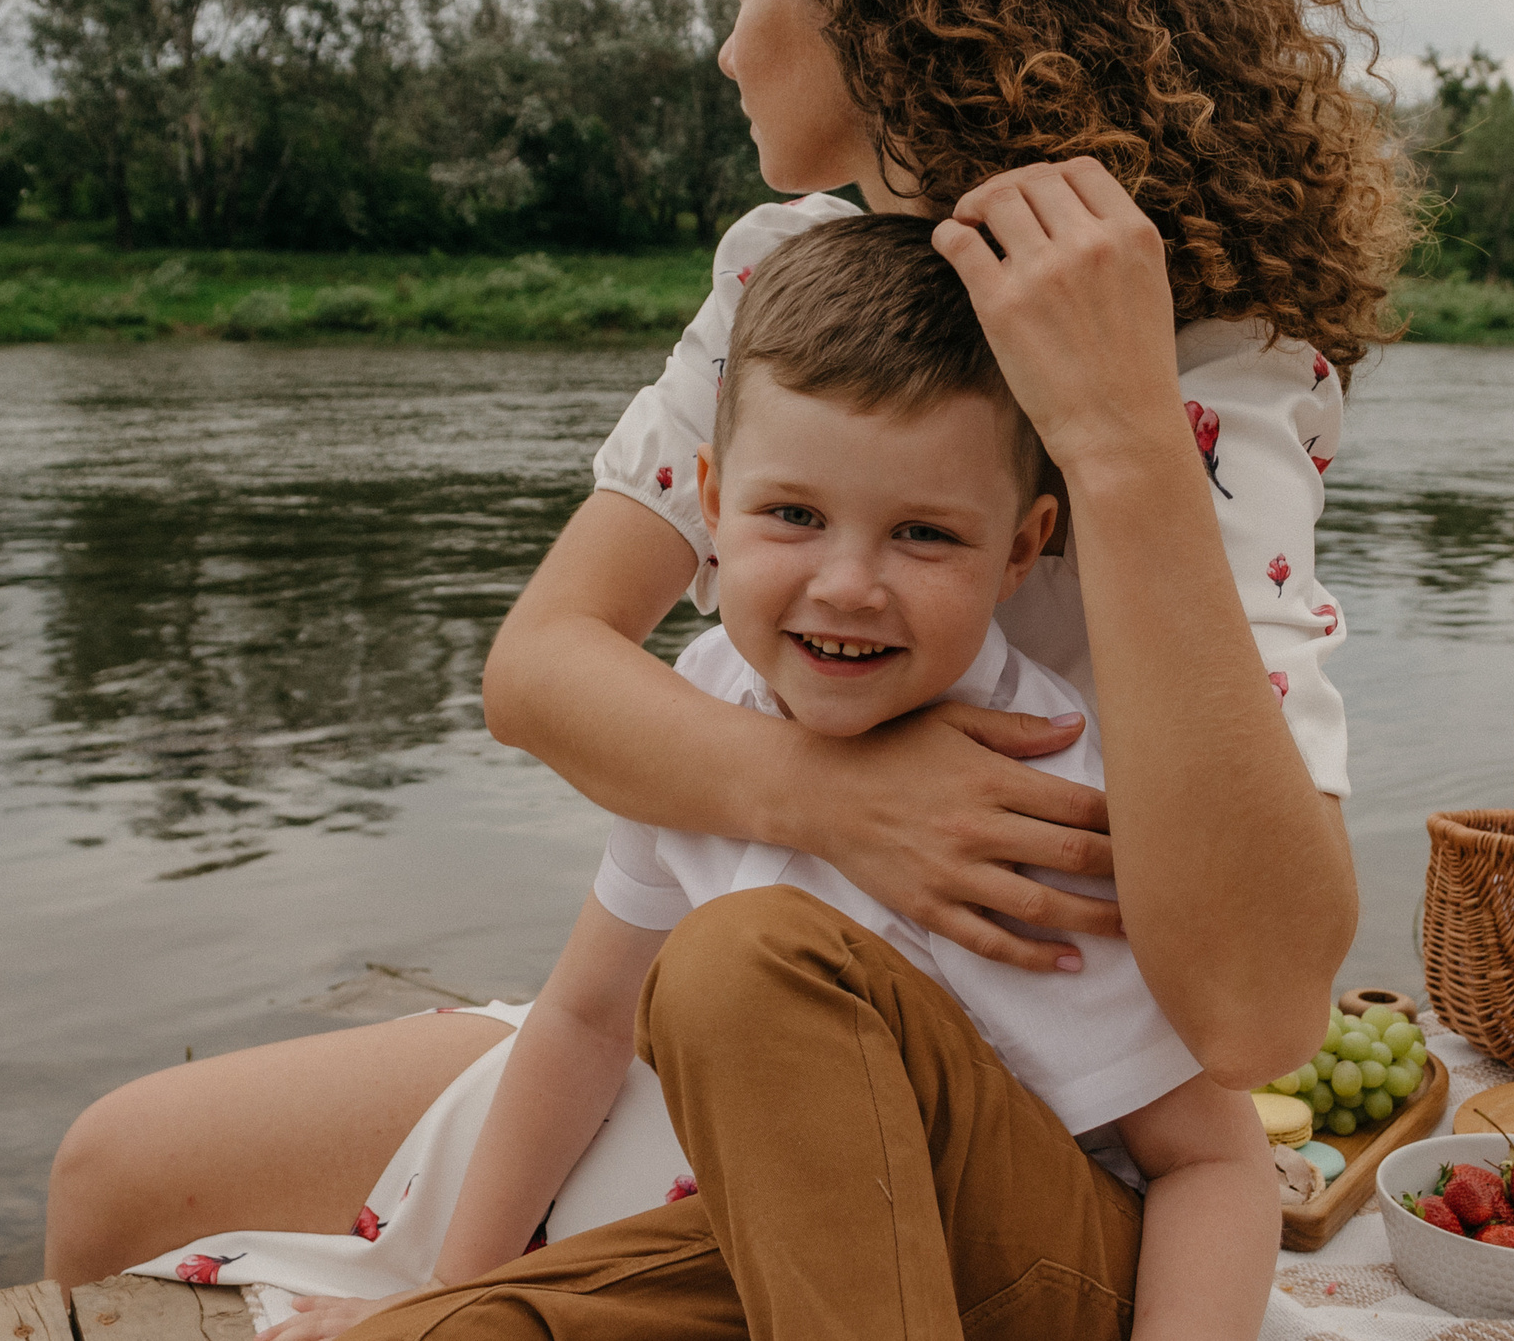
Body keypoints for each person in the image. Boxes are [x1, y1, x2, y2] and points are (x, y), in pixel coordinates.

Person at [43, 0, 1412, 1291]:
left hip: (1012, 1104)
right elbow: (541, 671)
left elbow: (1260, 1011)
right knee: (116, 1166)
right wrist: (837, 799)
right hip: (703, 1003)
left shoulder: (1216, 362)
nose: (725, 41)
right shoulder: (788, 279)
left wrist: (1120, 442)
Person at [259, 214, 1276, 1339]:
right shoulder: (704, 709)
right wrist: (447, 1289)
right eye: (793, 515)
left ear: (1021, 550)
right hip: (823, 1248)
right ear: (710, 502)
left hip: (1047, 1275)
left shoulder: (1039, 792)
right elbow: (585, 1027)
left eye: (924, 536)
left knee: (738, 963)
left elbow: (1214, 1164)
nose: (846, 585)